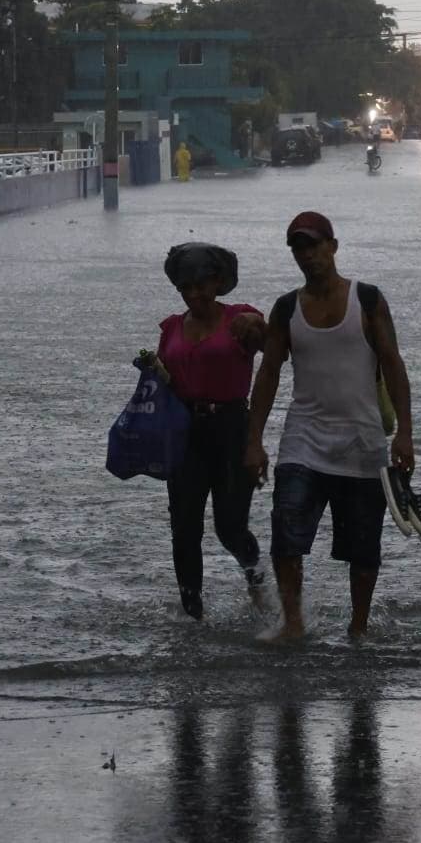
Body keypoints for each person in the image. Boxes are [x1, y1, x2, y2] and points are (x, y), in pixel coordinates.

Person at [245, 211, 414, 640]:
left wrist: (406, 434)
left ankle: (357, 628)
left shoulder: (368, 300)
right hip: (304, 440)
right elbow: (268, 375)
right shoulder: (286, 309)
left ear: (333, 247)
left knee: (363, 549)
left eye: (315, 245)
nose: (308, 255)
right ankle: (294, 623)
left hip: (362, 443)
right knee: (285, 531)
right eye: (299, 248)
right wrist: (254, 440)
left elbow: (393, 365)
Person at [155, 242, 269, 620]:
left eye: (201, 285)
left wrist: (259, 327)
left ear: (219, 282)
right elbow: (165, 383)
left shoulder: (240, 318)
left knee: (229, 526)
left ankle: (256, 578)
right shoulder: (171, 327)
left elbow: (272, 347)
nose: (193, 294)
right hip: (185, 432)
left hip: (231, 429)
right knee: (184, 527)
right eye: (185, 287)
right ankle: (192, 612)